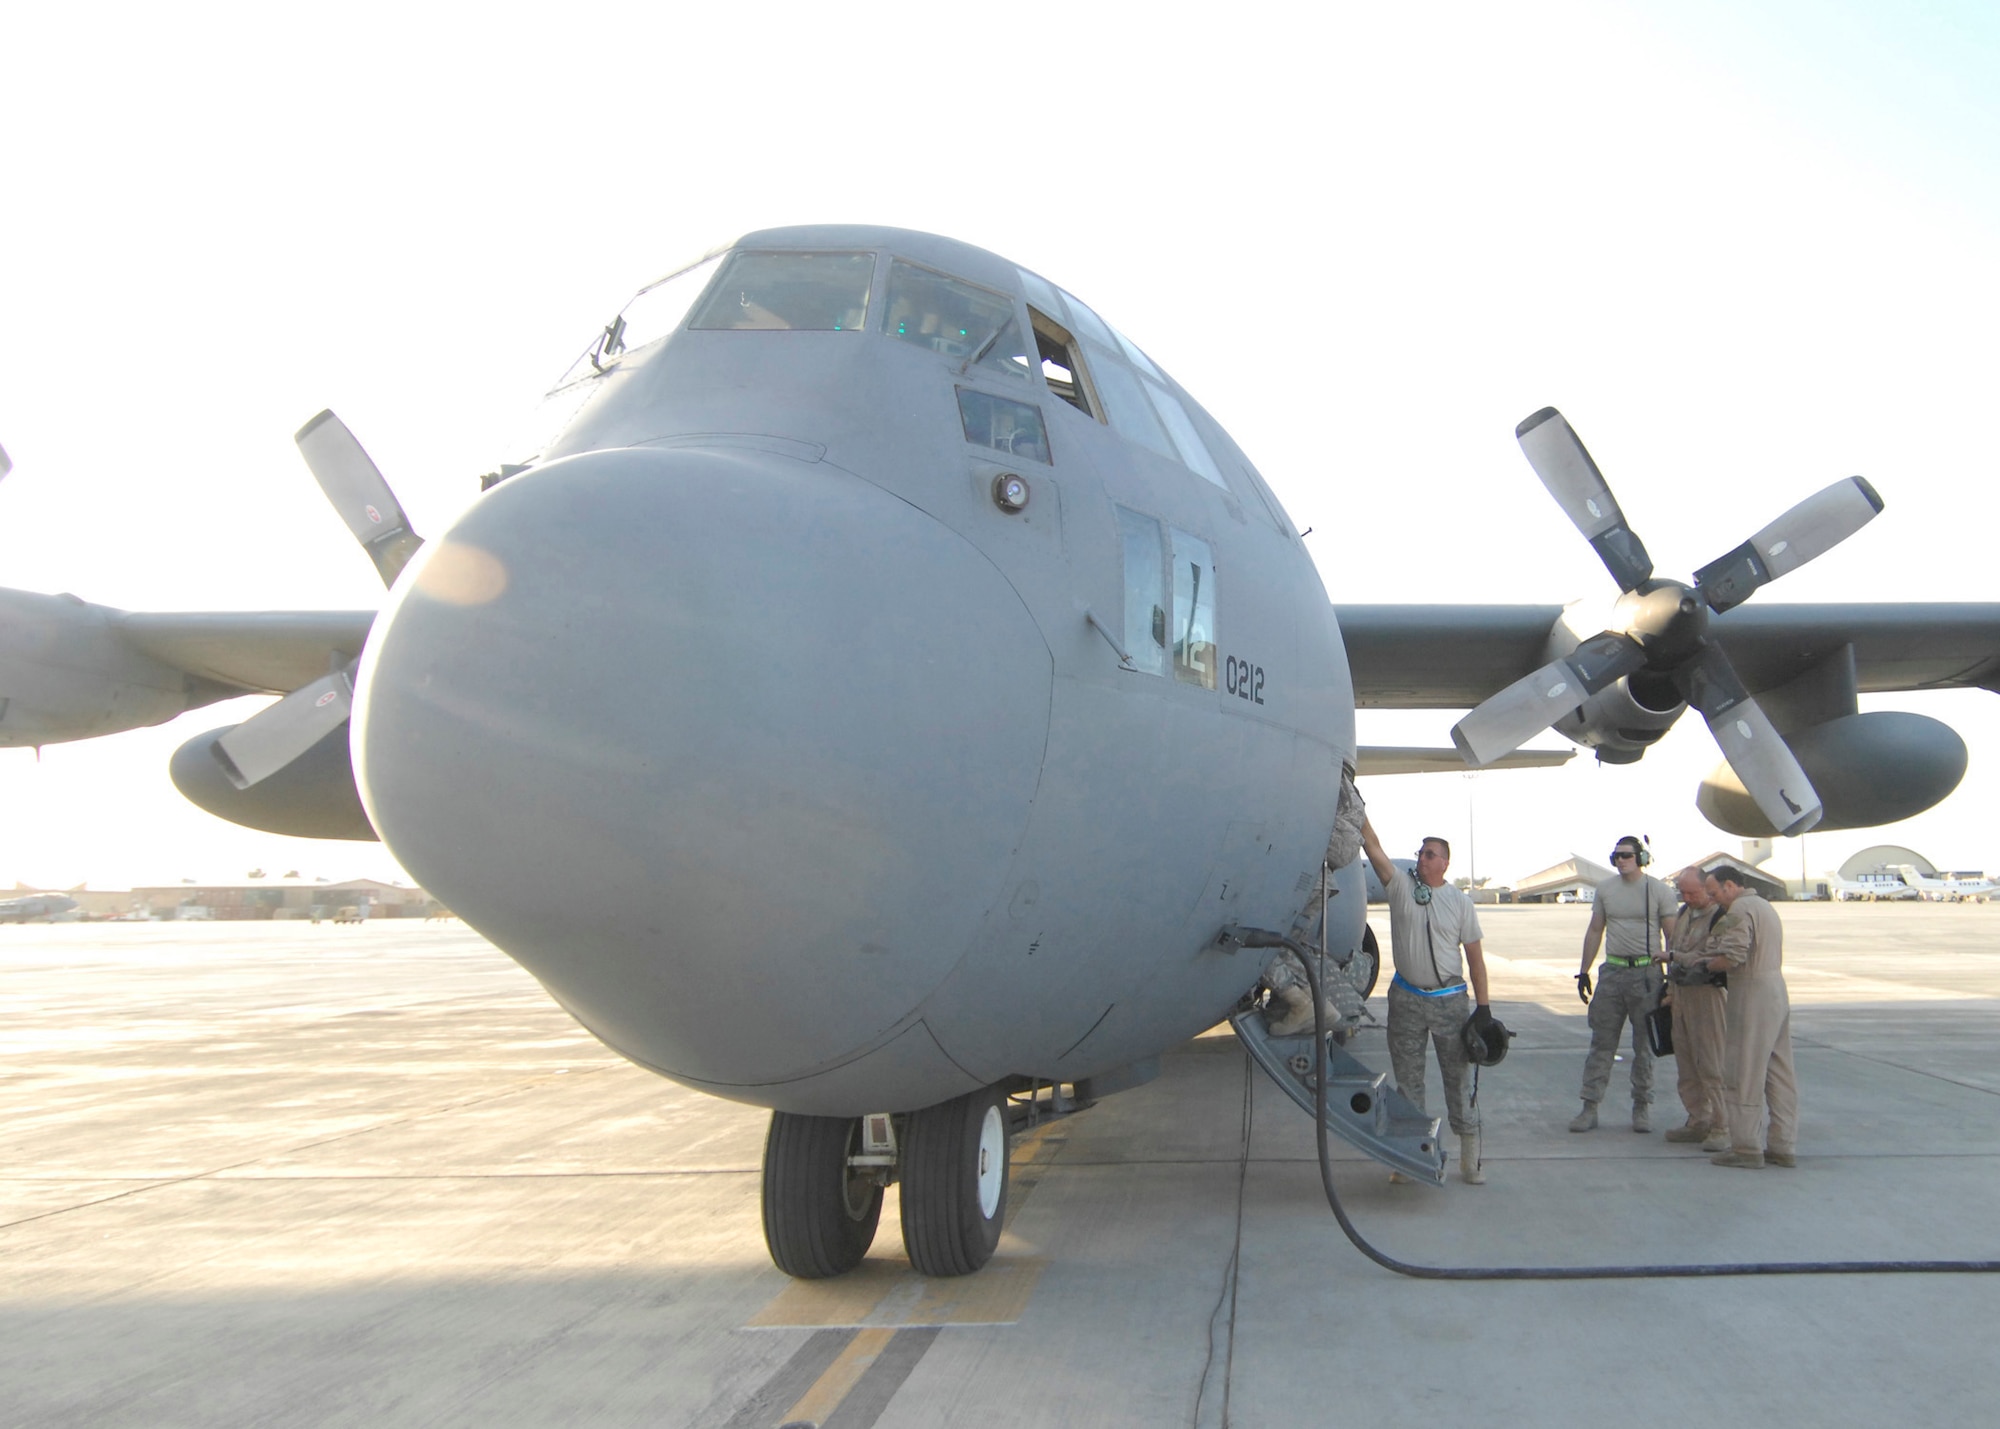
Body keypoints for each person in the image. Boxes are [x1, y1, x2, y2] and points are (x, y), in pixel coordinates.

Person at [1359, 815, 1497, 1184]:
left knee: (1458, 1078)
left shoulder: (1459, 903)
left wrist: (1483, 1009)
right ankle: (1412, 1157)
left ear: (1444, 863)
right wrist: (1360, 815)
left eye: (1430, 854)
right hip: (1406, 999)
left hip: (1449, 1003)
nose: (1421, 858)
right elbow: (1374, 850)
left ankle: (1469, 1157)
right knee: (1409, 1082)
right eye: (1420, 853)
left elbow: (1475, 958)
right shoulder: (1401, 887)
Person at [1568, 835, 1675, 1133]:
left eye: (1627, 856)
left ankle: (1641, 1106)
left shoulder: (1658, 891)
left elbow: (1673, 936)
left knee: (1644, 1046)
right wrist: (1584, 971)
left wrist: (1673, 980)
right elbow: (1595, 931)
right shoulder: (1605, 890)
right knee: (1601, 1044)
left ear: (1642, 858)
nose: (1621, 861)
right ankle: (1590, 1106)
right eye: (1616, 856)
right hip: (1613, 974)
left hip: (1646, 974)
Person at [1701, 868, 1798, 1169]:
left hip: (1751, 992)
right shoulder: (1765, 907)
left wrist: (1704, 965)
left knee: (1743, 1071)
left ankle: (1746, 1147)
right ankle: (1783, 1145)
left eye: (1715, 893)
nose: (1713, 900)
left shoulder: (1740, 908)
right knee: (1779, 1071)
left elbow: (1733, 955)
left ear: (1730, 886)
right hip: (1775, 991)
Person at [1662, 867, 1731, 1153]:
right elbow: (1673, 946)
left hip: (1708, 996)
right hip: (1682, 995)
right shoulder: (1684, 914)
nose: (1688, 898)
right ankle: (1697, 1119)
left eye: (1694, 892)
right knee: (1687, 1064)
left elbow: (1715, 957)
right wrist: (1669, 992)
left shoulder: (1721, 916)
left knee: (1712, 1064)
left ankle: (1722, 1125)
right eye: (1684, 893)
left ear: (1707, 888)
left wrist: (1678, 957)